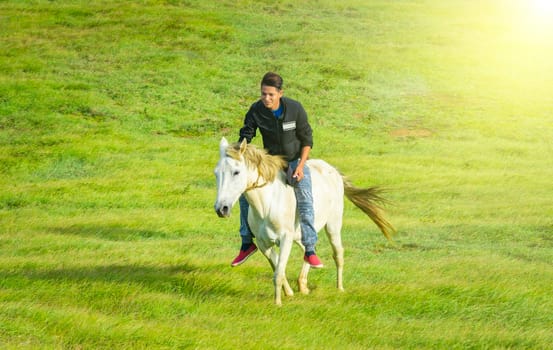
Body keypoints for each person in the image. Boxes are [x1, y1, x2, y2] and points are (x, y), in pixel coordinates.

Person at [231, 72, 323, 268]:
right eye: (263, 94)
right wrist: (239, 150)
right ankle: (247, 243)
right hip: (271, 161)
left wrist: (300, 166)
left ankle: (310, 249)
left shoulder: (295, 109)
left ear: (280, 93)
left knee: (305, 197)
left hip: (294, 160)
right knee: (243, 192)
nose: (266, 98)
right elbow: (247, 132)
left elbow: (307, 140)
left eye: (271, 94)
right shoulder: (256, 110)